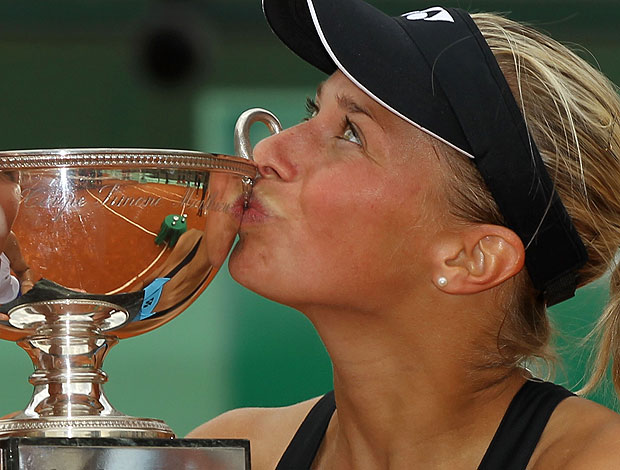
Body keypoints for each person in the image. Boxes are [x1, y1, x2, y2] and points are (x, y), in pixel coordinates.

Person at [189, 1, 620, 468]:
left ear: (471, 257)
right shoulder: (232, 452)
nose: (269, 148)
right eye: (314, 110)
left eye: (351, 132)